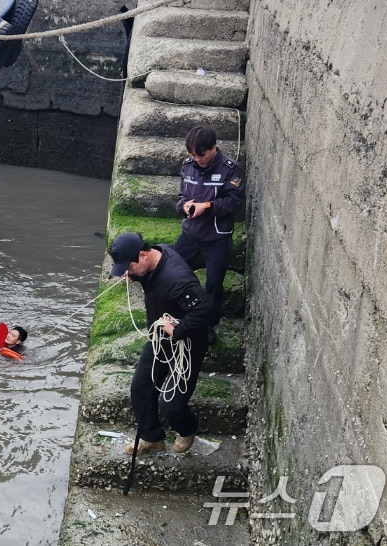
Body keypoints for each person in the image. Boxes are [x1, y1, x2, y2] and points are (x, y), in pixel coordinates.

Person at [109, 232, 213, 455]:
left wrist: (177, 331)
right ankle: (151, 437)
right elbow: (146, 275)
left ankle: (188, 429)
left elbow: (205, 310)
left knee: (171, 404)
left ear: (143, 255)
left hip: (187, 344)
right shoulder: (156, 255)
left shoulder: (177, 279)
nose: (127, 273)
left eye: (129, 268)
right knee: (140, 388)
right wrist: (135, 276)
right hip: (159, 339)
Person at [174, 125, 245, 345]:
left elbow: (234, 202)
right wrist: (184, 206)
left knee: (214, 284)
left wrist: (208, 206)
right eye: (192, 155)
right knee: (174, 272)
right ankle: (178, 315)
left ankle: (208, 326)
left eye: (201, 155)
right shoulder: (188, 166)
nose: (197, 159)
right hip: (191, 234)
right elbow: (180, 196)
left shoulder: (231, 169)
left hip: (217, 238)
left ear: (213, 148)